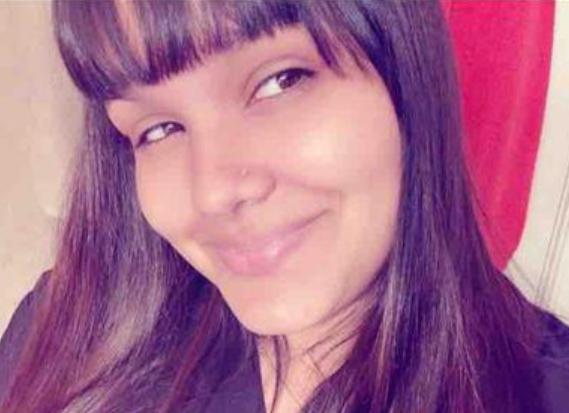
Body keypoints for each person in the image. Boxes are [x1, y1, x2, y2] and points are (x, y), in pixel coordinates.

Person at [1, 1, 568, 412]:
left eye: (280, 80)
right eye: (158, 129)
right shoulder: (63, 338)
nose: (214, 193)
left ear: (405, 72)